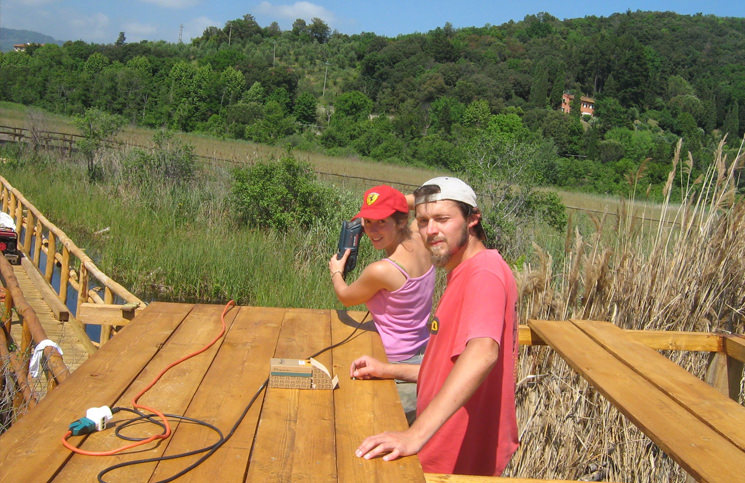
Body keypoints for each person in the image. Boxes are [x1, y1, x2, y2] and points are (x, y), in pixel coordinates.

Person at [349, 176, 519, 476]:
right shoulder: (463, 271)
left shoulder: (485, 274)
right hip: (442, 447)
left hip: (455, 457)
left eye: (442, 219)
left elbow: (482, 353)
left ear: (472, 219)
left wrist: (415, 435)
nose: (431, 230)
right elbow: (447, 368)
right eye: (423, 221)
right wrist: (389, 369)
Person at [329, 184, 435, 423]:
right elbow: (429, 200)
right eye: (367, 221)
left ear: (399, 221)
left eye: (381, 222)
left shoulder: (382, 270)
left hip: (395, 365)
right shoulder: (421, 236)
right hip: (422, 354)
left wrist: (336, 271)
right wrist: (394, 202)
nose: (372, 231)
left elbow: (346, 296)